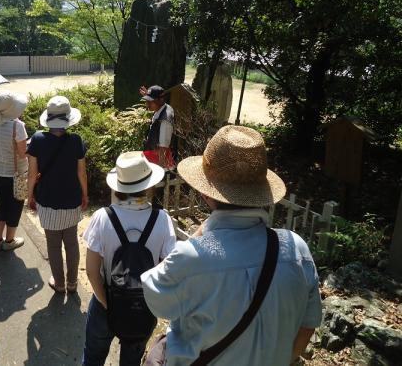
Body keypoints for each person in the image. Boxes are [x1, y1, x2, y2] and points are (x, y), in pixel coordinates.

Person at [141, 125, 323, 366]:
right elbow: (308, 325)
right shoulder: (296, 248)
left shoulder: (191, 256)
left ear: (206, 193)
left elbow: (155, 298)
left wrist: (197, 237)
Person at [82, 151, 176, 366]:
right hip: (142, 305)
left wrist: (107, 303)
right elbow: (167, 267)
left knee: (93, 357)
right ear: (149, 185)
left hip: (105, 300)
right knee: (132, 361)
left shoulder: (102, 217)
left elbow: (91, 270)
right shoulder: (161, 219)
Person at [27, 95, 88, 293]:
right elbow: (81, 172)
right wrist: (85, 195)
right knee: (71, 243)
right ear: (68, 119)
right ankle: (72, 283)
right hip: (71, 199)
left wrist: (30, 196)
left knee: (53, 245)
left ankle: (59, 284)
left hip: (47, 199)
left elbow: (32, 173)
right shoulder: (76, 140)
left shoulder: (37, 139)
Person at [0, 90, 28, 252]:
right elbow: (22, 153)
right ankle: (9, 240)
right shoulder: (17, 126)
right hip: (15, 174)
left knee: (3, 203)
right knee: (15, 206)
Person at [139, 85, 175, 170]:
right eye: (147, 100)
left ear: (161, 100)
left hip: (161, 164)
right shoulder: (163, 107)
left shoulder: (165, 121)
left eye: (150, 101)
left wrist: (158, 172)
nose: (147, 104)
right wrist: (148, 96)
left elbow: (163, 149)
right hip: (153, 156)